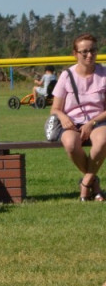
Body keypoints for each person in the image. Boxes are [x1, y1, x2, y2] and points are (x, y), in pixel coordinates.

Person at [49, 34, 106, 201]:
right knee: (71, 144)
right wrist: (63, 117)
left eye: (93, 51)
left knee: (103, 140)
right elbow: (54, 109)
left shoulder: (104, 74)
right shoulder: (67, 75)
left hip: (98, 120)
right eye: (85, 52)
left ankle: (85, 183)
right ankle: (94, 183)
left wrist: (92, 123)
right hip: (72, 122)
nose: (90, 55)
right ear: (75, 54)